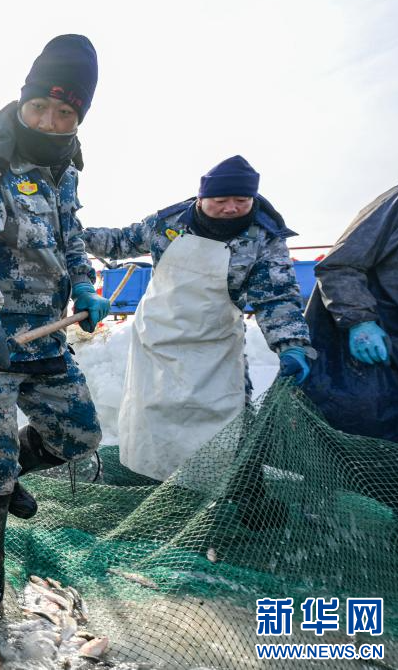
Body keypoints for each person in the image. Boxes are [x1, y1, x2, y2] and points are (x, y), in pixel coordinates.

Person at [0, 34, 109, 621]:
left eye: (65, 112)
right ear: (23, 98)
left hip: (44, 334)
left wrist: (85, 283)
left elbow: (71, 238)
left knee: (77, 434)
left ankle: (5, 479)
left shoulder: (66, 167)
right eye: (40, 106)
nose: (49, 119)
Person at [82, 156, 314, 524]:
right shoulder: (169, 223)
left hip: (216, 343)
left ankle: (251, 497)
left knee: (231, 420)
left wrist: (292, 344)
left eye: (242, 200)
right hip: (160, 338)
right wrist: (67, 234)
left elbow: (278, 296)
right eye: (222, 200)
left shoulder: (263, 238)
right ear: (203, 197)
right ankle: (158, 491)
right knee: (156, 417)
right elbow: (118, 241)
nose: (232, 208)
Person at [301, 184, 398, 541]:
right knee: (367, 432)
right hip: (367, 345)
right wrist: (359, 320)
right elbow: (339, 265)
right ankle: (325, 521)